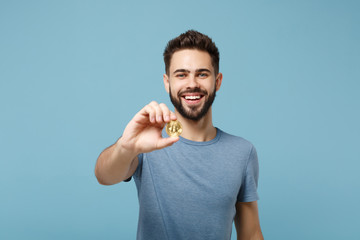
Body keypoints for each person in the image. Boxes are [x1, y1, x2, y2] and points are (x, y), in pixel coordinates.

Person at [95, 30, 264, 240]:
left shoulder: (242, 152)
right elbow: (103, 176)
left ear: (217, 81)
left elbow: (251, 233)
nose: (192, 84)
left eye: (202, 74)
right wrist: (126, 147)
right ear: (167, 82)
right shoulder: (148, 143)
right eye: (181, 74)